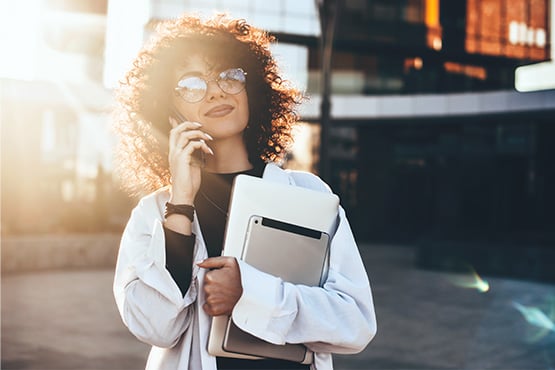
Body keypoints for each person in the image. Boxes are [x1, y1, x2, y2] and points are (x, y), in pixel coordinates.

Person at [112, 13, 376, 370]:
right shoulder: (154, 212)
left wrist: (249, 293)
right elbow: (155, 328)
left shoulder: (309, 194)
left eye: (228, 75)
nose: (216, 90)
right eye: (192, 84)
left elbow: (355, 323)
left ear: (251, 89)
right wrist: (181, 205)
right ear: (168, 111)